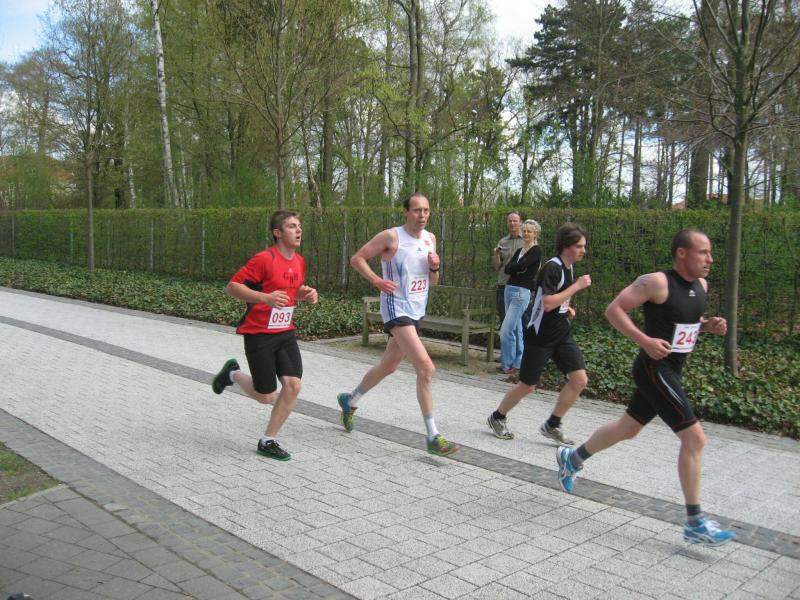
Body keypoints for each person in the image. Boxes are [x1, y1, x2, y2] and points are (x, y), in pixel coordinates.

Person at [556, 229, 736, 546]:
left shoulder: (701, 286)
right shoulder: (656, 282)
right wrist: (645, 341)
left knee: (627, 429)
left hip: (672, 370)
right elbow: (614, 310)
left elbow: (682, 321)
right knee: (695, 438)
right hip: (654, 369)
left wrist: (707, 325)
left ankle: (573, 458)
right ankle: (695, 523)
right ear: (682, 253)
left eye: (710, 253)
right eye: (703, 252)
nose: (710, 259)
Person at [336, 193, 460, 457]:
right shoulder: (391, 237)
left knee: (389, 366)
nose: (422, 215)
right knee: (426, 368)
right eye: (417, 210)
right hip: (396, 308)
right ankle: (433, 437)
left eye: (426, 210)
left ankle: (350, 400)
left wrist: (435, 268)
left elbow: (433, 282)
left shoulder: (430, 239)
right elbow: (357, 258)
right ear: (406, 212)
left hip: (417, 310)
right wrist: (376, 281)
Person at [211, 210, 319, 461]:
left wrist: (304, 294)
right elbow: (232, 287)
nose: (298, 230)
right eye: (292, 226)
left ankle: (268, 440)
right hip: (259, 334)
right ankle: (232, 374)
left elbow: (289, 291)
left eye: (299, 225)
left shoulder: (299, 261)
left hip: (285, 332)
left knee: (293, 385)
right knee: (266, 396)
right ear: (277, 233)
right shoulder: (264, 259)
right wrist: (264, 298)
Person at [487, 222, 591, 442]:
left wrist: (567, 308)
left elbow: (556, 301)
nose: (584, 250)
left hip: (561, 332)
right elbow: (547, 302)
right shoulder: (552, 268)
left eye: (584, 246)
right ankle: (497, 417)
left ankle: (552, 425)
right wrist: (577, 286)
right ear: (567, 246)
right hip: (541, 335)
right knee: (527, 385)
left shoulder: (569, 266)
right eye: (579, 246)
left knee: (579, 380)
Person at [498, 219, 542, 375]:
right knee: (516, 329)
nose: (526, 234)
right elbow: (508, 269)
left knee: (506, 330)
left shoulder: (536, 251)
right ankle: (518, 362)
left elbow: (519, 267)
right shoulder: (519, 251)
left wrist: (516, 268)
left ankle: (507, 364)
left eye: (530, 231)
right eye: (525, 231)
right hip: (509, 289)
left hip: (521, 293)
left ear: (535, 234)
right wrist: (517, 268)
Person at [493, 211, 523, 324]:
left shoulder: (527, 241)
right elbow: (497, 268)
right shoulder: (502, 242)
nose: (512, 223)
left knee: (519, 321)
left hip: (520, 286)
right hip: (504, 285)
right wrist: (496, 255)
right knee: (504, 319)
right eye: (510, 221)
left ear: (521, 222)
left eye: (515, 221)